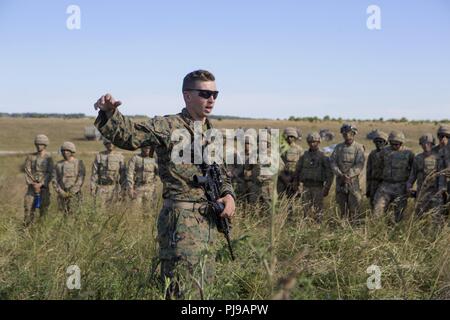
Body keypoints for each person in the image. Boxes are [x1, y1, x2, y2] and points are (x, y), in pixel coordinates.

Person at [93, 70, 235, 299]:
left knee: (203, 289)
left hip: (208, 222)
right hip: (181, 222)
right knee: (180, 290)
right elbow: (131, 136)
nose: (211, 99)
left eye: (215, 94)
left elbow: (222, 174)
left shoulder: (211, 131)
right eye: (205, 93)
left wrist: (228, 195)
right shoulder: (169, 125)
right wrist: (110, 113)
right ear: (187, 96)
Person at [373, 131, 414, 222]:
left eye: (397, 144)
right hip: (386, 185)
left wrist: (409, 185)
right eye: (392, 144)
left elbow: (413, 170)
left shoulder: (408, 153)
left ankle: (395, 230)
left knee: (398, 213)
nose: (395, 146)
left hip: (401, 186)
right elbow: (378, 166)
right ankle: (377, 229)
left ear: (401, 143)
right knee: (377, 210)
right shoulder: (384, 151)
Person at [330, 124, 365, 221]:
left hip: (352, 182)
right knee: (342, 208)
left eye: (349, 133)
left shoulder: (358, 148)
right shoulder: (338, 147)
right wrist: (340, 175)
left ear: (354, 134)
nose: (347, 136)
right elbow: (332, 162)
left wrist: (348, 175)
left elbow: (360, 164)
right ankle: (343, 227)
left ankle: (355, 228)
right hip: (340, 181)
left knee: (355, 207)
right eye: (344, 134)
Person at [295, 132, 334, 221]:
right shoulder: (304, 156)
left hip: (318, 187)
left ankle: (318, 228)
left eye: (315, 142)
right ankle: (305, 227)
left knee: (318, 210)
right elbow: (298, 170)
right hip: (306, 186)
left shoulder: (323, 156)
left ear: (319, 142)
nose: (312, 144)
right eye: (310, 142)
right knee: (305, 209)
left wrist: (327, 188)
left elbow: (329, 174)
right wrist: (296, 183)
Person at [407, 133, 444, 219]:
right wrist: (409, 185)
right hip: (421, 192)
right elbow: (413, 175)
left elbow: (442, 176)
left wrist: (441, 190)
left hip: (435, 192)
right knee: (419, 217)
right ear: (421, 144)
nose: (426, 145)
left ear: (432, 144)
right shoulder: (417, 158)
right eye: (423, 143)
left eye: (428, 143)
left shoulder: (438, 158)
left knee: (437, 218)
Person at [23, 134, 54, 226]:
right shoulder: (30, 157)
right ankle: (27, 229)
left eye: (41, 144)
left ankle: (41, 229)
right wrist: (33, 183)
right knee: (28, 208)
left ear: (45, 145)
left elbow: (50, 172)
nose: (38, 146)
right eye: (37, 144)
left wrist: (41, 183)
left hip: (44, 188)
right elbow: (27, 170)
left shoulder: (49, 157)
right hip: (31, 188)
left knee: (43, 210)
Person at [90, 138, 126, 208]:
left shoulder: (120, 157)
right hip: (101, 187)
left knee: (114, 210)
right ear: (105, 144)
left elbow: (123, 175)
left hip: (115, 188)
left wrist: (123, 190)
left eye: (112, 143)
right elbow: (94, 173)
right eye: (108, 143)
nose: (110, 145)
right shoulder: (99, 156)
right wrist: (92, 188)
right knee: (99, 210)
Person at [52, 142, 86, 215]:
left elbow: (81, 178)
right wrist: (61, 192)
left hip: (75, 194)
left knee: (76, 215)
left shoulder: (79, 163)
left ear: (72, 151)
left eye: (67, 150)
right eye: (63, 151)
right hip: (62, 195)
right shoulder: (58, 165)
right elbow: (54, 180)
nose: (65, 152)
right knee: (63, 215)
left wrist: (72, 191)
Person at [126, 145, 160, 212]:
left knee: (149, 211)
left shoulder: (154, 159)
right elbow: (130, 174)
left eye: (149, 148)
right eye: (145, 147)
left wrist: (156, 186)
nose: (147, 149)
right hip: (138, 188)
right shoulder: (135, 158)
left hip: (150, 189)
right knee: (135, 211)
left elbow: (159, 174)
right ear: (141, 148)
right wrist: (130, 188)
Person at [278, 127, 303, 198]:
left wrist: (296, 180)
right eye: (288, 136)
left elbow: (302, 165)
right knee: (281, 198)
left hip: (295, 178)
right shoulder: (280, 149)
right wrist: (284, 177)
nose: (290, 138)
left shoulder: (299, 149)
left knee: (295, 199)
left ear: (295, 137)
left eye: (292, 136)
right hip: (282, 177)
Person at [366, 130, 388, 208]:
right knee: (373, 204)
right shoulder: (372, 154)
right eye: (376, 141)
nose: (378, 143)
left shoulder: (389, 154)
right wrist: (368, 188)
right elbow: (369, 171)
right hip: (374, 182)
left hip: (385, 183)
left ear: (385, 142)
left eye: (381, 141)